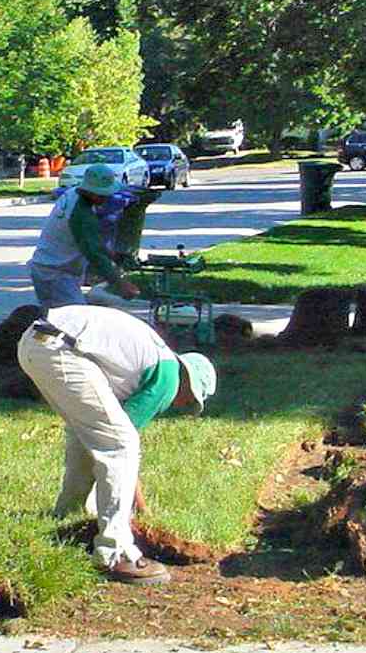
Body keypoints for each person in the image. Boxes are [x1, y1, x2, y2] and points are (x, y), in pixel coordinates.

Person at [16, 303, 217, 585]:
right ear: (188, 382)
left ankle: (67, 516)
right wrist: (143, 510)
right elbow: (120, 447)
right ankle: (115, 551)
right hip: (61, 349)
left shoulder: (154, 358)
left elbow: (101, 439)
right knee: (119, 444)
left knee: (86, 433)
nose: (182, 405)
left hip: (35, 342)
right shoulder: (168, 377)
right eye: (190, 401)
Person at [29, 163, 142, 308]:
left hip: (53, 269)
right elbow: (93, 253)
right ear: (93, 193)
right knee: (75, 320)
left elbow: (90, 241)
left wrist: (111, 255)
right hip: (55, 273)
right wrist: (121, 284)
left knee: (62, 319)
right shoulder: (82, 215)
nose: (108, 197)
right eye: (104, 194)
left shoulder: (74, 194)